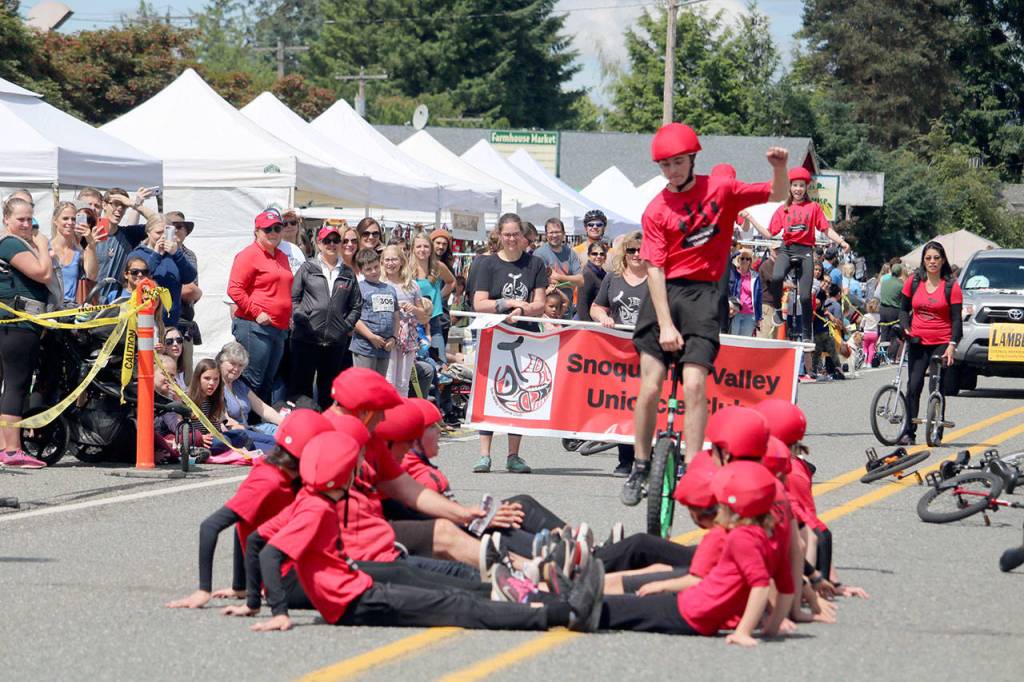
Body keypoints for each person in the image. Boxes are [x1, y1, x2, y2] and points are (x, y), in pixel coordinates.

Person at [240, 431, 605, 634]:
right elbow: (270, 553)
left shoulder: (308, 497)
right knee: (458, 606)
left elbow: (257, 541)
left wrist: (253, 600)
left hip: (358, 584)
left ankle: (551, 598)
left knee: (450, 590)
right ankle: (564, 614)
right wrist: (279, 611)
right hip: (353, 601)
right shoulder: (317, 507)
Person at [623, 123, 789, 506]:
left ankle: (694, 468)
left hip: (704, 294)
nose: (672, 171)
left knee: (695, 384)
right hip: (664, 294)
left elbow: (777, 194)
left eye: (678, 162)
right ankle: (640, 463)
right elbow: (655, 270)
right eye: (664, 165)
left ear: (693, 158)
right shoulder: (656, 209)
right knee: (651, 385)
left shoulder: (721, 190)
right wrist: (664, 323)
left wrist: (779, 167)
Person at [166, 409, 334, 610]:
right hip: (287, 580)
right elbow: (210, 526)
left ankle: (242, 586)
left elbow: (246, 518)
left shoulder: (293, 476)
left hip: (303, 566)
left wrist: (240, 585)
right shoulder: (268, 480)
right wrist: (204, 590)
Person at [470, 213, 549, 474]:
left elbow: (539, 303)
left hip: (524, 334)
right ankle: (484, 454)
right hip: (493, 335)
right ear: (499, 235)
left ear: (524, 236)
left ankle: (513, 455)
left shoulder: (535, 263)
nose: (512, 239)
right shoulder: (485, 264)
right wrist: (507, 304)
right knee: (490, 390)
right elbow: (478, 303)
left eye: (516, 234)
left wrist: (523, 312)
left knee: (519, 391)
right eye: (507, 234)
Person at [754, 168, 847, 343]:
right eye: (795, 185)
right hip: (787, 249)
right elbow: (768, 233)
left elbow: (826, 229)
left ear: (806, 188)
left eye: (801, 186)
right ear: (790, 188)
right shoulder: (784, 209)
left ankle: (806, 333)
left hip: (805, 252)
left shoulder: (813, 208)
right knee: (777, 277)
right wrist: (751, 218)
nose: (798, 189)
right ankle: (776, 311)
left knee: (805, 296)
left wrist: (841, 242)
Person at [0, 197, 54, 468]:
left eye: (30, 219)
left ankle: (5, 447)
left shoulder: (16, 244)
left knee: (11, 385)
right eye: (20, 219)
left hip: (15, 324)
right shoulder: (10, 243)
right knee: (16, 385)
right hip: (16, 324)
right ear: (6, 220)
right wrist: (43, 246)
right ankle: (12, 449)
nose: (26, 224)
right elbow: (43, 273)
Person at [591, 230, 647, 476]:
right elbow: (596, 307)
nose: (637, 254)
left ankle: (647, 457)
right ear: (624, 252)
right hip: (619, 350)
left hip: (648, 349)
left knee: (646, 404)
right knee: (624, 405)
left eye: (641, 250)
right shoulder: (613, 278)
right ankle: (625, 459)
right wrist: (603, 317)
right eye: (632, 250)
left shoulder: (658, 278)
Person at [289, 223, 362, 410]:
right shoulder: (308, 267)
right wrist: (300, 319)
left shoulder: (347, 273)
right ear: (319, 244)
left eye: (336, 240)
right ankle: (303, 428)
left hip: (334, 342)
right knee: (301, 387)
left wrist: (344, 328)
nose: (331, 244)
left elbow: (356, 305)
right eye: (326, 240)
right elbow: (294, 298)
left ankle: (327, 429)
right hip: (306, 338)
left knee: (328, 388)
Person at [898, 241, 962, 445]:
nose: (932, 262)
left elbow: (956, 320)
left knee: (937, 385)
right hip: (918, 340)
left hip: (942, 341)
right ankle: (908, 432)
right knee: (914, 385)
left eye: (936, 258)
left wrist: (952, 345)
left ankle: (936, 428)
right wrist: (906, 328)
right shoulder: (914, 281)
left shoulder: (951, 286)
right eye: (928, 258)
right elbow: (903, 309)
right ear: (923, 261)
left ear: (943, 260)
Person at [227, 209, 294, 403]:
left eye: (277, 228)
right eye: (268, 229)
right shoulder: (249, 255)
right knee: (251, 380)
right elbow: (234, 289)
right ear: (256, 231)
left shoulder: (281, 255)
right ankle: (244, 422)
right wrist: (257, 312)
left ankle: (259, 426)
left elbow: (283, 289)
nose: (273, 232)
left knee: (267, 381)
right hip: (255, 327)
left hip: (278, 328)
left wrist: (287, 313)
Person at [125, 214, 197, 328]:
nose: (162, 237)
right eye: (158, 233)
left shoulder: (174, 254)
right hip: (145, 322)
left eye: (166, 233)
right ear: (148, 233)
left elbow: (189, 277)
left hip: (171, 323)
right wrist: (156, 255)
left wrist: (176, 254)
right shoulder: (137, 254)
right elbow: (139, 280)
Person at [382, 244, 431, 397]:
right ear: (382, 262)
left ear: (401, 261)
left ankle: (400, 417)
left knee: (403, 382)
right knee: (388, 381)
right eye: (387, 259)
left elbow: (424, 317)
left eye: (394, 259)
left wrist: (414, 309)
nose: (390, 263)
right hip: (387, 335)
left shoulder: (412, 285)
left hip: (408, 336)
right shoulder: (379, 283)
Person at [215, 343, 282, 452]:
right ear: (221, 362)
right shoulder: (216, 385)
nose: (236, 369)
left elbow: (263, 409)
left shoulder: (239, 384)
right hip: (236, 433)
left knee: (285, 431)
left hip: (250, 428)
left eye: (240, 365)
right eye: (232, 363)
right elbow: (225, 420)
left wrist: (287, 423)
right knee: (278, 444)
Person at [94, 187, 156, 302]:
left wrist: (134, 204)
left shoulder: (128, 234)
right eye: (116, 204)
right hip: (90, 304)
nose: (119, 209)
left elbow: (157, 222)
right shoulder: (90, 234)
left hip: (117, 304)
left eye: (123, 205)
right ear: (104, 205)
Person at [350, 248, 398, 376]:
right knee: (364, 386)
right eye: (368, 269)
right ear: (361, 271)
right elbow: (353, 318)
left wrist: (394, 338)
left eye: (376, 267)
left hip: (384, 347)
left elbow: (396, 316)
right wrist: (371, 337)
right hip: (364, 347)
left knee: (378, 386)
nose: (374, 271)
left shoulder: (390, 289)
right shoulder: (359, 288)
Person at [166, 211, 201, 383]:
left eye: (179, 226)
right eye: (170, 226)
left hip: (183, 319)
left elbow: (192, 290)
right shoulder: (158, 252)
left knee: (185, 371)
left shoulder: (189, 255)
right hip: (162, 319)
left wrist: (171, 289)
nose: (175, 230)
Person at [412, 232, 454, 360]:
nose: (422, 250)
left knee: (440, 361)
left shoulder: (438, 267)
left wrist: (439, 298)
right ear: (413, 249)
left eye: (426, 246)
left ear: (431, 249)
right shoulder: (407, 269)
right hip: (414, 322)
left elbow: (451, 282)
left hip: (434, 320)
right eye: (418, 247)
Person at [50, 201, 98, 306]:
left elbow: (92, 275)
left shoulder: (79, 252)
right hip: (49, 309)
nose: (70, 222)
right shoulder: (46, 248)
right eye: (65, 218)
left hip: (70, 310)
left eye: (73, 219)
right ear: (55, 220)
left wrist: (91, 244)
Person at [534, 218, 583, 318]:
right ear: (546, 234)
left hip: (567, 311)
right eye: (551, 232)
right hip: (545, 313)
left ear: (563, 233)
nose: (554, 235)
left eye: (557, 232)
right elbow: (543, 284)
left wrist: (558, 277)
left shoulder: (570, 253)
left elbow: (581, 280)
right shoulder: (539, 254)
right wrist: (570, 284)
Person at [728, 248, 762, 337]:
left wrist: (759, 317)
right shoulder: (734, 273)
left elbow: (758, 297)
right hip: (735, 312)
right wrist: (740, 251)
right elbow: (728, 259)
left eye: (747, 259)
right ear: (738, 260)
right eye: (742, 258)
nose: (744, 261)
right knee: (732, 339)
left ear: (750, 261)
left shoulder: (755, 276)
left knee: (744, 341)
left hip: (750, 314)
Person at [576, 241, 607, 322]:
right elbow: (582, 305)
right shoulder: (587, 274)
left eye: (602, 254)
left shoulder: (603, 274)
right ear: (589, 256)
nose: (598, 256)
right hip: (588, 323)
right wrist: (588, 326)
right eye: (594, 254)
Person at [878, 263, 904, 354]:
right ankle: (892, 355)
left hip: (882, 309)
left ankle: (882, 354)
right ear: (900, 272)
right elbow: (903, 299)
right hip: (894, 310)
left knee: (884, 333)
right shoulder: (900, 285)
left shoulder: (884, 281)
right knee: (895, 333)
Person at [861, 298, 881, 366]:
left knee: (865, 348)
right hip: (874, 334)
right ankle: (869, 363)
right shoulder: (878, 316)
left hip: (866, 333)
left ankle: (864, 362)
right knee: (871, 349)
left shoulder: (866, 316)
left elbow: (862, 325)